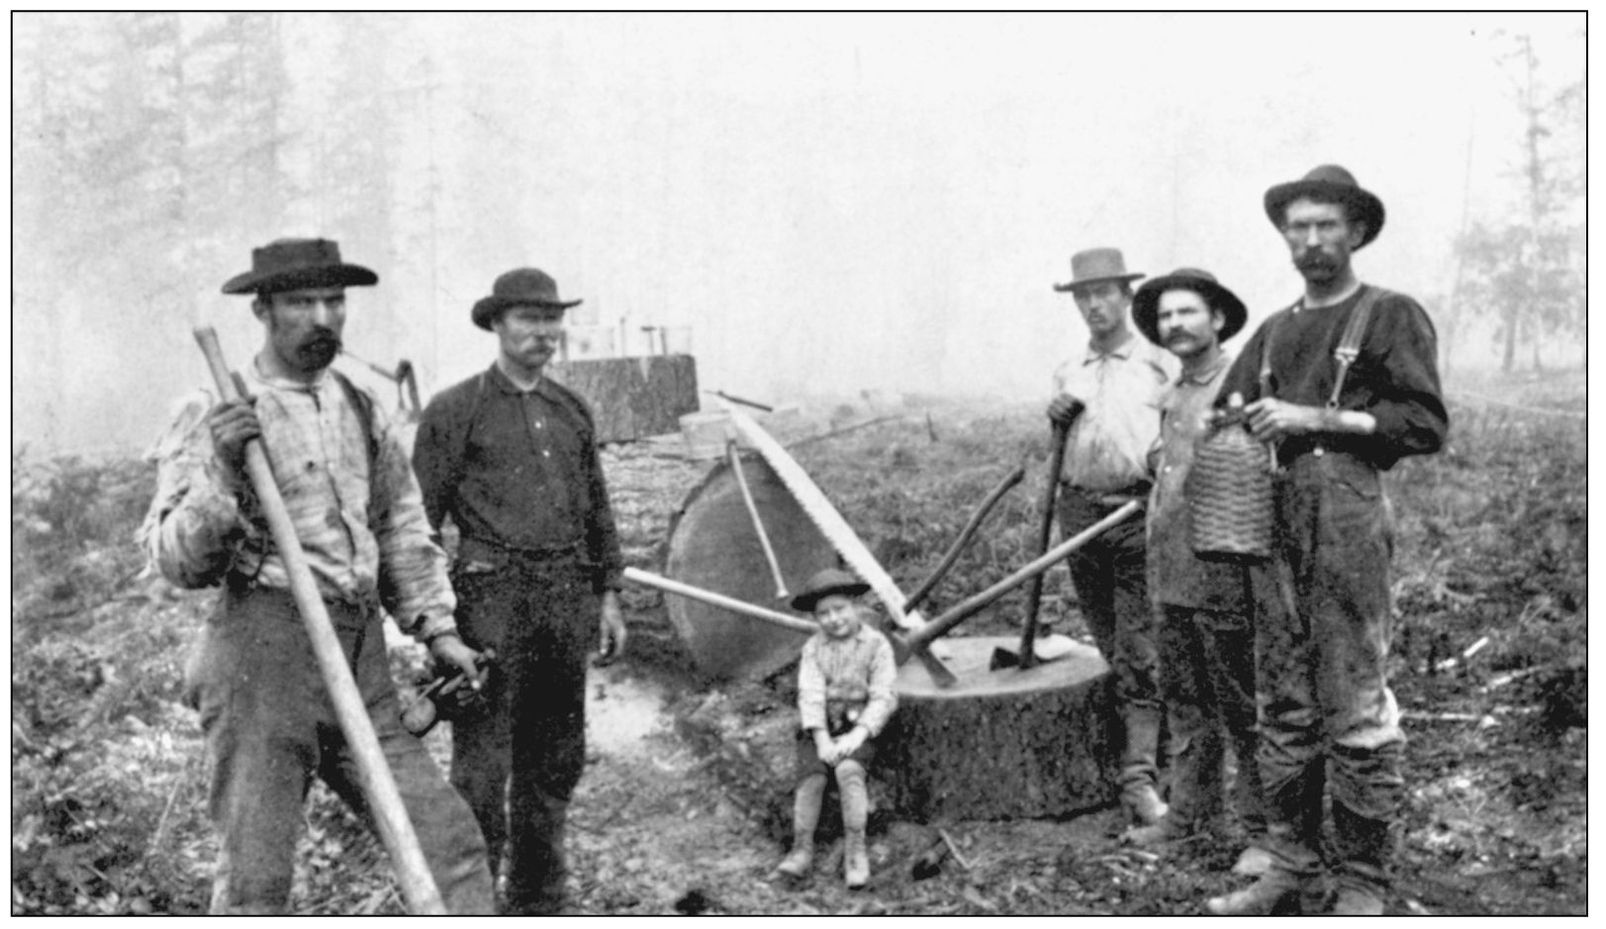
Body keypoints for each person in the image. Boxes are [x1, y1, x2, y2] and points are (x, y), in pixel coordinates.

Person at [140, 237, 495, 914]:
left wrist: (437, 629)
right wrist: (220, 468)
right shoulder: (218, 407)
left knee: (447, 848)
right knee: (257, 880)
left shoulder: (361, 405)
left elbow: (399, 527)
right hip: (263, 661)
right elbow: (176, 559)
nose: (324, 317)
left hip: (360, 662)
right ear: (265, 310)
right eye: (302, 302)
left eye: (335, 300)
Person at [1204, 165, 1448, 916]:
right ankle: (1295, 864)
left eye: (1326, 226)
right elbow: (1227, 411)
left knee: (1354, 700)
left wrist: (1318, 418)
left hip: (1345, 511)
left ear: (1356, 232)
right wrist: (1231, 428)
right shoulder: (1274, 330)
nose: (1311, 240)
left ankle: (1365, 881)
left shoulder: (1388, 315)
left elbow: (1426, 424)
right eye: (1298, 227)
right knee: (1284, 702)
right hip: (1268, 516)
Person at [412, 267, 628, 915]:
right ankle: (473, 902)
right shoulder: (456, 410)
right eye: (529, 319)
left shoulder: (571, 409)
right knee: (482, 766)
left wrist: (609, 592)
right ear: (497, 325)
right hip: (490, 604)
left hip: (565, 599)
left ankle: (538, 897)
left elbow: (598, 510)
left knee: (557, 754)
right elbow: (417, 518)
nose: (544, 332)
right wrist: (431, 621)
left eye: (552, 318)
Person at [1122, 268, 1270, 876]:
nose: (1175, 325)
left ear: (1215, 319)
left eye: (1187, 313)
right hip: (1171, 569)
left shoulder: (1240, 385)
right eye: (1165, 317)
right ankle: (1191, 814)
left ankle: (1266, 831)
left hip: (1225, 571)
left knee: (1242, 704)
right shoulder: (1177, 391)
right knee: (1184, 701)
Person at [1047, 247, 1179, 826]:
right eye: (1084, 295)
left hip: (1135, 514)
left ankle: (1139, 779)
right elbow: (1066, 446)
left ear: (1127, 297)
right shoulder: (1068, 370)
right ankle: (1151, 747)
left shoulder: (1157, 362)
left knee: (1138, 649)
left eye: (1104, 293)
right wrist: (1053, 418)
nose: (1094, 304)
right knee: (1108, 644)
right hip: (1079, 516)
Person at [774, 568, 898, 889]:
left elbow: (884, 695)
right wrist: (822, 739)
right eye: (823, 614)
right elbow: (811, 694)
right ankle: (801, 848)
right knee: (812, 777)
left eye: (840, 609)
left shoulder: (876, 644)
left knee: (848, 772)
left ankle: (856, 849)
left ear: (855, 607)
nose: (833, 619)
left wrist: (858, 734)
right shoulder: (814, 648)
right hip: (824, 723)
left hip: (861, 723)